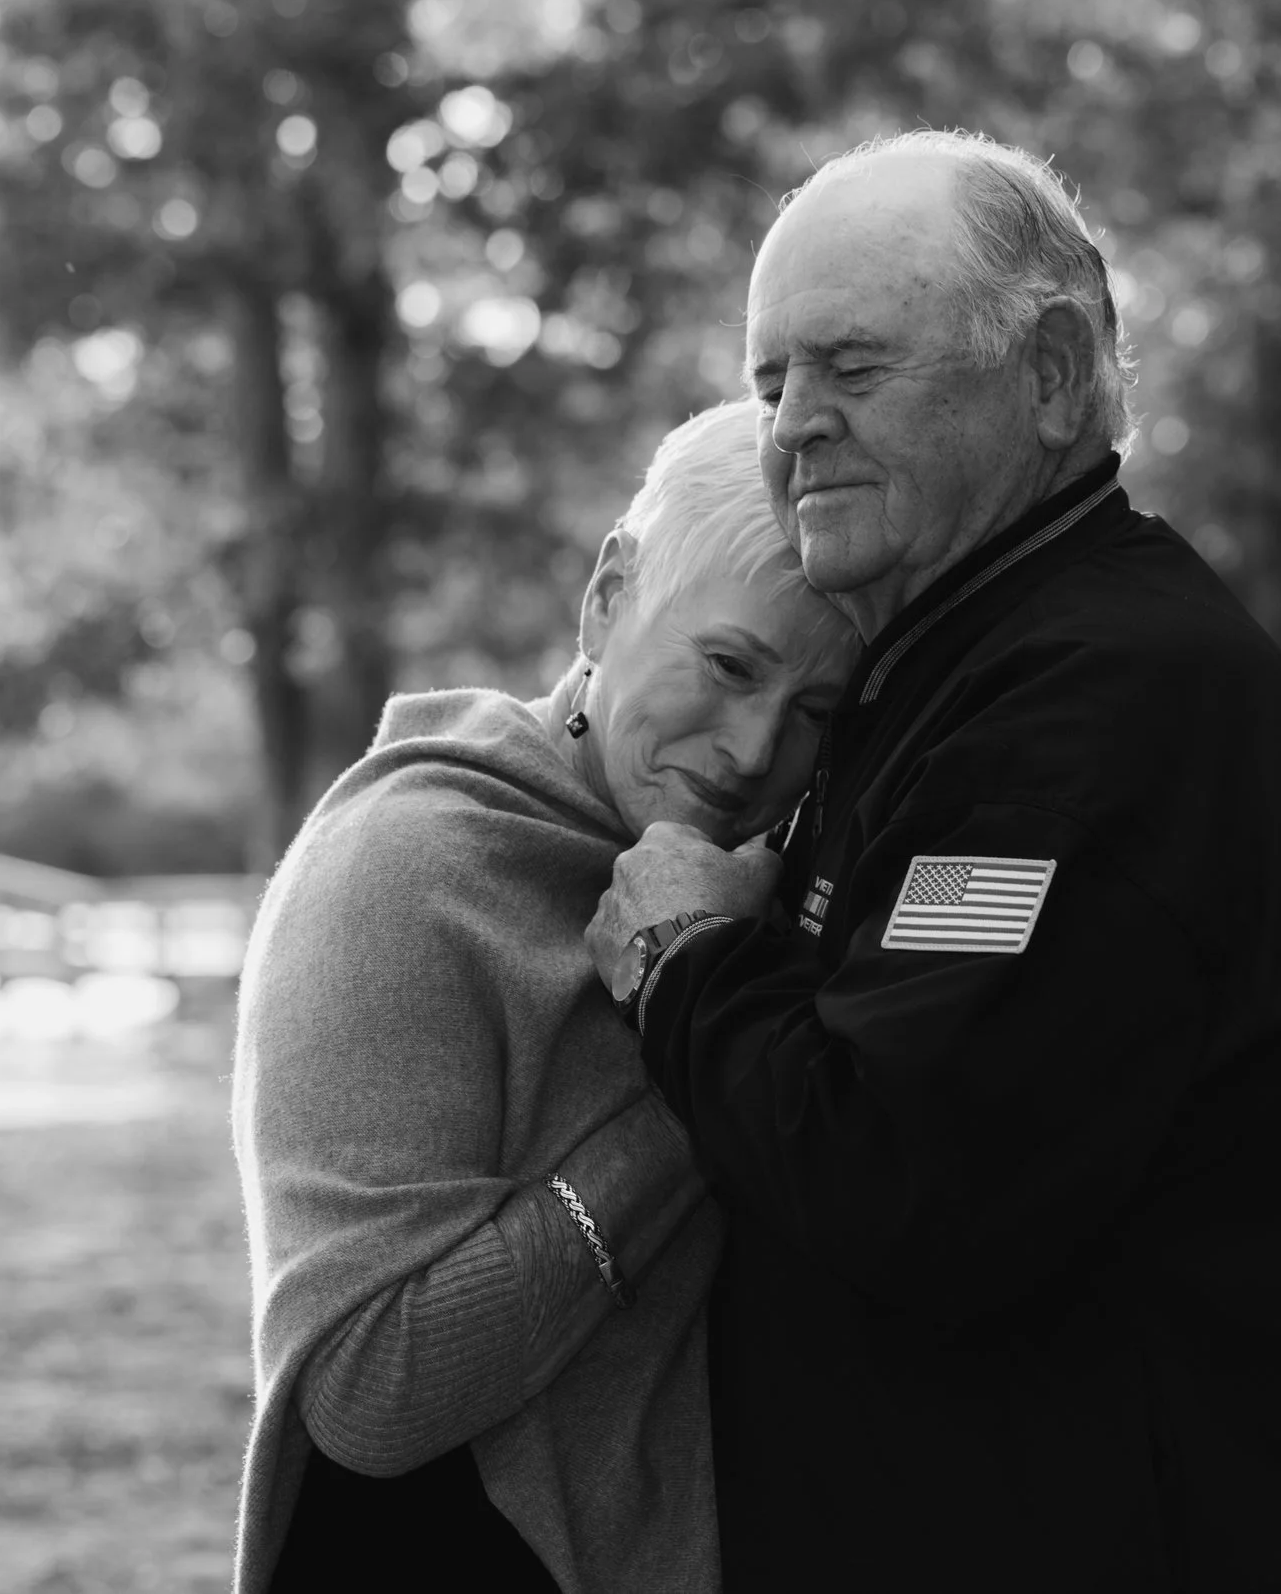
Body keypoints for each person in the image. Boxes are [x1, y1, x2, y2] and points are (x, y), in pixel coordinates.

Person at [586, 130, 1281, 1592]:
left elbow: (899, 1180)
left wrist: (682, 957)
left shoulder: (1080, 711)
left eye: (851, 368)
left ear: (1052, 374)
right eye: (770, 378)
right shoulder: (957, 664)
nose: (791, 425)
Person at [231, 398, 859, 1593]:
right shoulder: (407, 869)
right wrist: (707, 1043)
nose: (749, 750)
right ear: (608, 596)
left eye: (814, 714)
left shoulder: (752, 876)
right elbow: (368, 1387)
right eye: (728, 666)